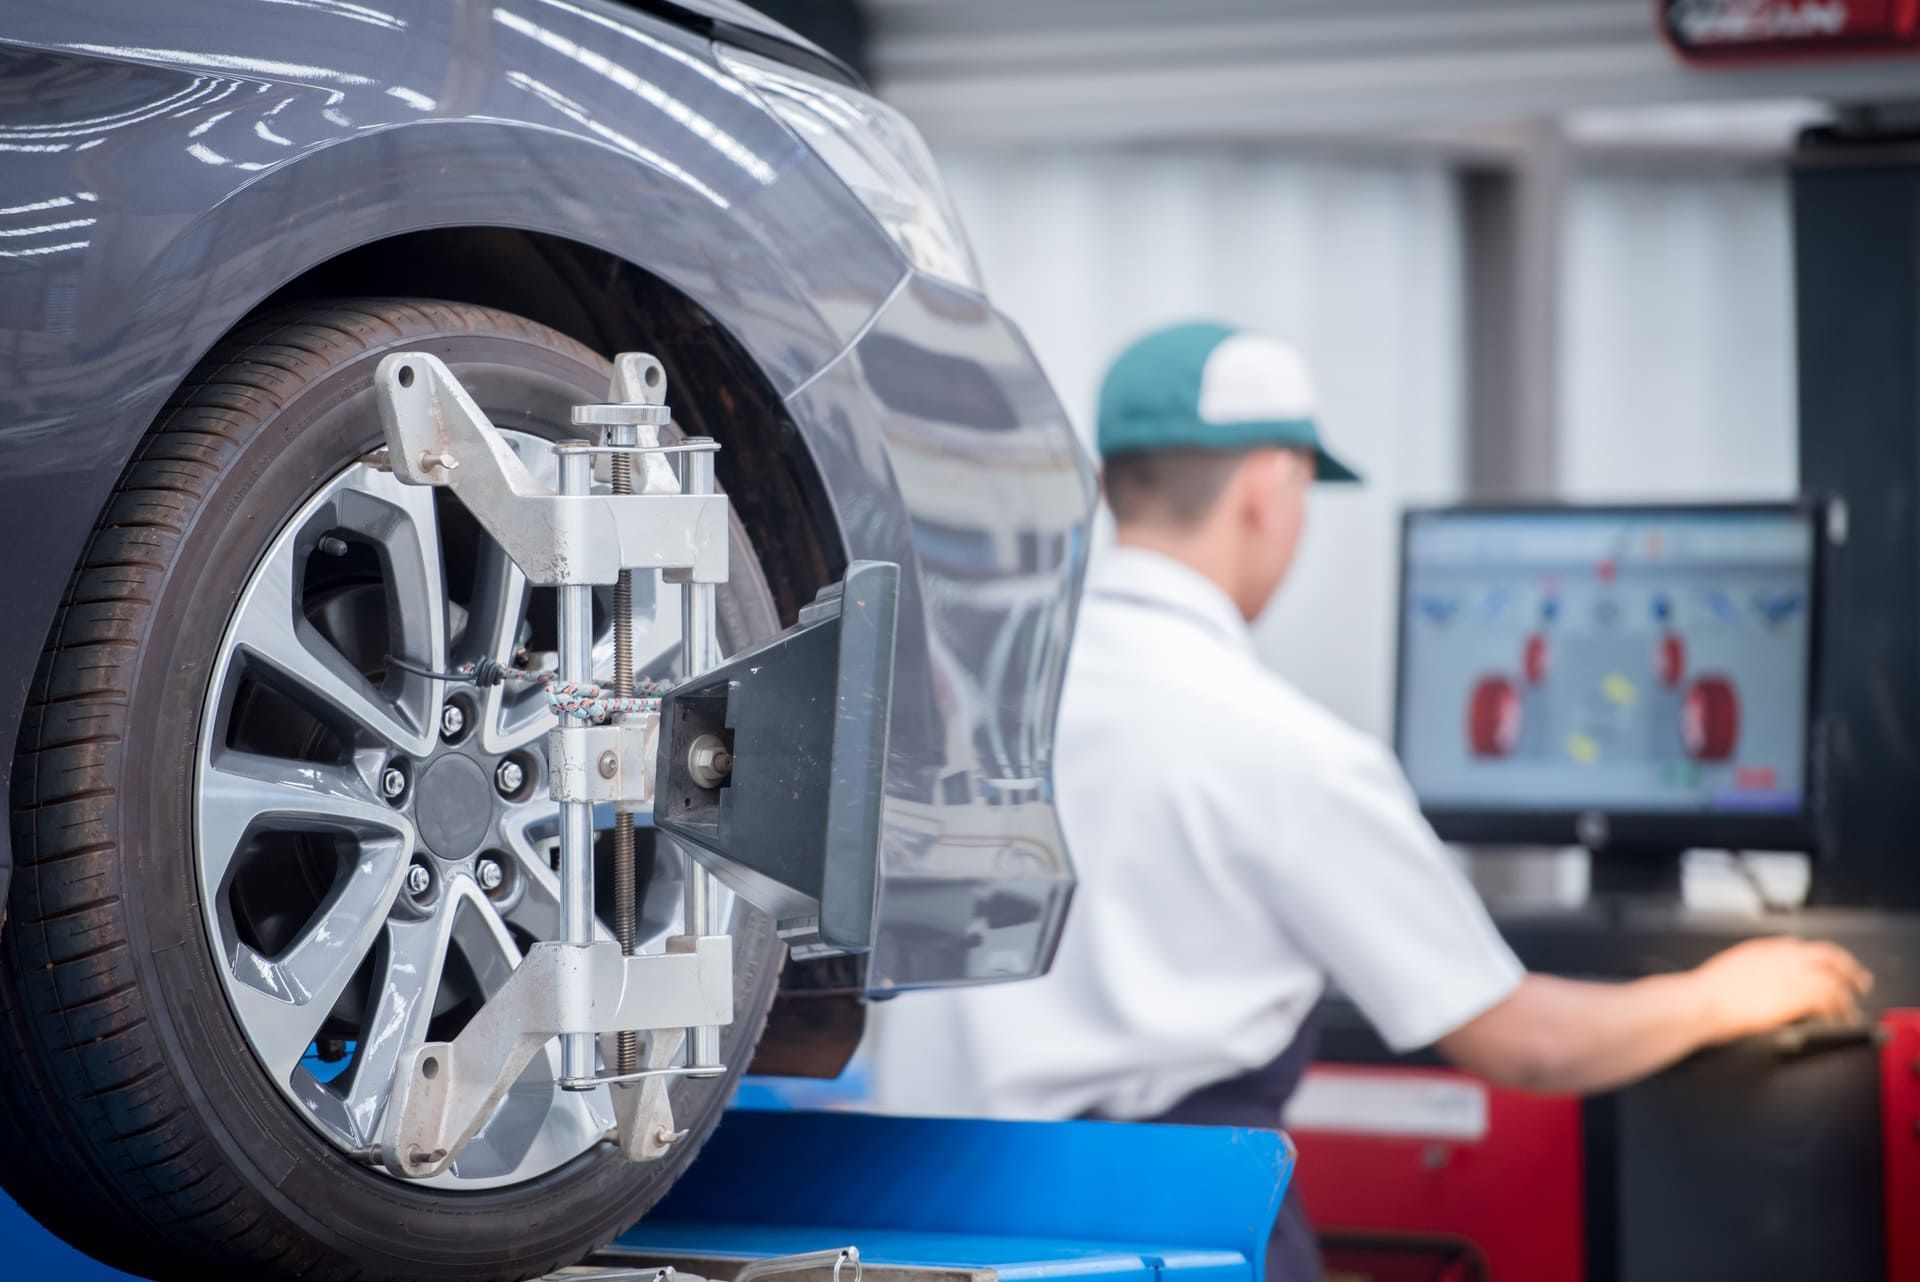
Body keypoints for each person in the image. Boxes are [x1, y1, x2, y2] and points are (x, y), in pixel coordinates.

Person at [866, 320, 1873, 1282]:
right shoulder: (1288, 752)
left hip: (910, 1228)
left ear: (1102, 486)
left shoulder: (957, 708)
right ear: (1271, 487)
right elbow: (1522, 1042)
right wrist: (1719, 994)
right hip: (1154, 1239)